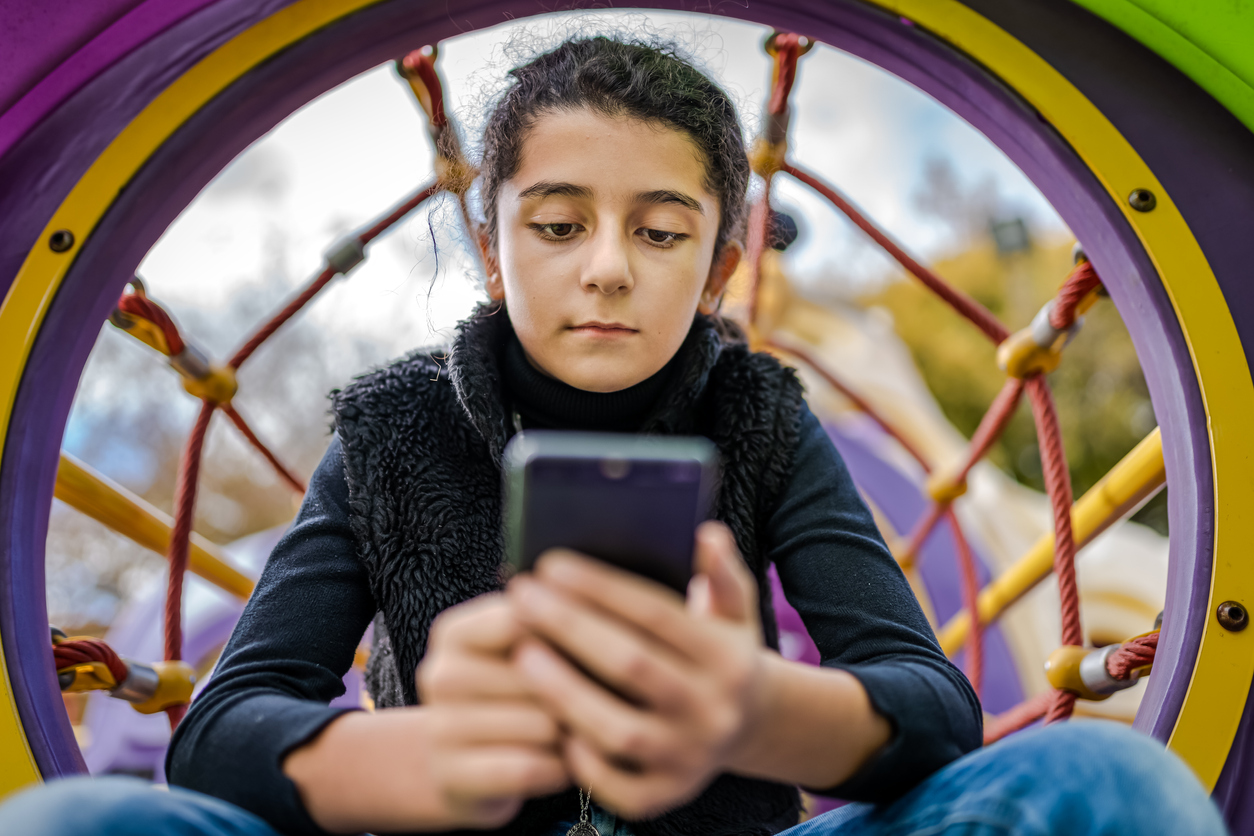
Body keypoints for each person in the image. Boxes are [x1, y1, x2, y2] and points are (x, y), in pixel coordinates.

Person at [0, 34, 1226, 836]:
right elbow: (222, 725)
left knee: (1108, 785)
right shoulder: (388, 429)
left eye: (658, 229)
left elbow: (929, 700)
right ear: (492, 247)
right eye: (556, 222)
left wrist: (749, 712)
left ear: (717, 263)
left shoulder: (764, 420)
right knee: (63, 826)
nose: (605, 269)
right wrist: (421, 760)